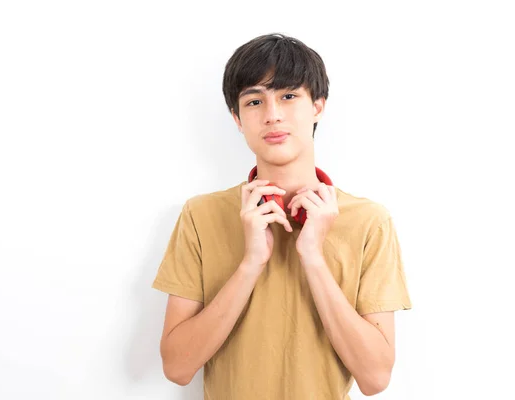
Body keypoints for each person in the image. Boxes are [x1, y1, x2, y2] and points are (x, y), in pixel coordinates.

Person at [151, 33, 412, 399]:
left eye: (288, 96)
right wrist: (251, 262)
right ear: (237, 118)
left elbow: (375, 378)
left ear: (318, 106)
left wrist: (313, 258)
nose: (272, 115)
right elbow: (177, 368)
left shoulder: (369, 221)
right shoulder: (201, 215)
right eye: (255, 101)